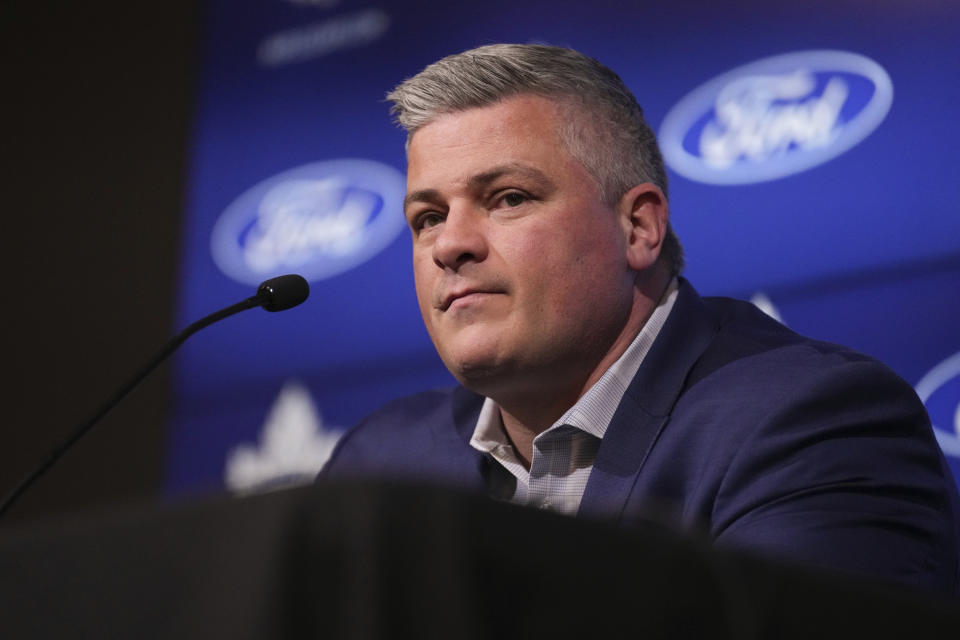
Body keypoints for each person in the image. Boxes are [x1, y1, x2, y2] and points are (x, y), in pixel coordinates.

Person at [321, 44, 960, 593]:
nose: (448, 245)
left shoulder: (811, 423)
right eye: (427, 217)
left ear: (639, 227)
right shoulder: (380, 463)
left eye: (508, 198)